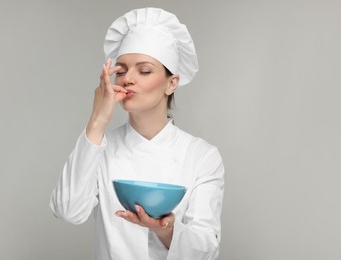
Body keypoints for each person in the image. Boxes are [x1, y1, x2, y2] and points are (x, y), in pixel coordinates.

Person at [50, 7, 225, 260]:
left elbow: (206, 249)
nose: (128, 79)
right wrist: (97, 121)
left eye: (144, 71)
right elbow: (68, 210)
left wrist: (165, 229)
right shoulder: (101, 147)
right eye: (121, 71)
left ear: (171, 83)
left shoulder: (201, 156)